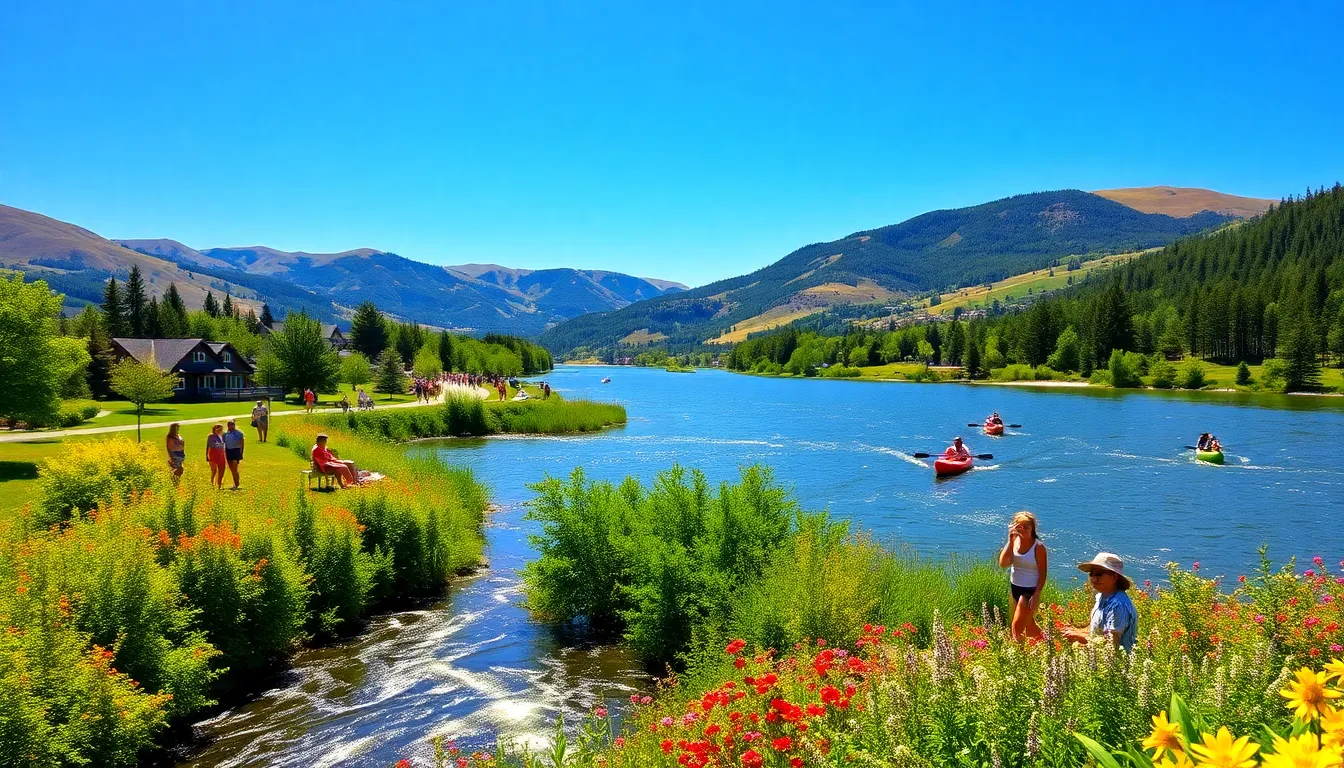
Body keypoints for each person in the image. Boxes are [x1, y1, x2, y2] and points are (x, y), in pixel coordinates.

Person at [1063, 552, 1138, 650]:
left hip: (1116, 664)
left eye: (1099, 574)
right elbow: (1098, 632)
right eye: (1091, 574)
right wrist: (1076, 631)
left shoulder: (1117, 605)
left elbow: (1111, 645)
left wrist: (1080, 637)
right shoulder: (1102, 597)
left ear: (1114, 577)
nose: (1093, 579)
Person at [998, 511, 1047, 640]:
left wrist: (1037, 594)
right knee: (1029, 626)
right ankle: (1048, 642)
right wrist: (1010, 540)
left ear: (1033, 529)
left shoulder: (1038, 547)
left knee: (1016, 628)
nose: (1023, 529)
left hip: (1029, 592)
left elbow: (1043, 573)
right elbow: (1003, 564)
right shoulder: (1014, 543)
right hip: (1015, 588)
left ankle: (1017, 654)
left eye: (1026, 526)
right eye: (1019, 526)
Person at [223, 419, 245, 490]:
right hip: (228, 451)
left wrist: (241, 452)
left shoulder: (239, 433)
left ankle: (236, 484)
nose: (231, 426)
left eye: (232, 424)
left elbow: (242, 442)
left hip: (236, 451)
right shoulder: (225, 434)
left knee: (235, 468)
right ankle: (235, 483)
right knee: (232, 469)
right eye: (230, 425)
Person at [206, 424, 227, 490]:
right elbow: (212, 445)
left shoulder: (223, 435)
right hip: (213, 454)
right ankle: (212, 482)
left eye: (221, 429)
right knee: (214, 470)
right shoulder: (211, 436)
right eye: (218, 429)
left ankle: (219, 483)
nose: (220, 431)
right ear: (214, 429)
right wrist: (206, 455)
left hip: (221, 454)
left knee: (222, 469)